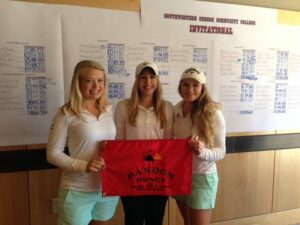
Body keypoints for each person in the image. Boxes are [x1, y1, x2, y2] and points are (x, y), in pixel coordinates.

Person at [47, 60, 119, 225]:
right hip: (77, 189)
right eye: (89, 80)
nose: (96, 86)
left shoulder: (109, 110)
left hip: (106, 187)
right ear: (78, 83)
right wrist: (84, 166)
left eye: (100, 80)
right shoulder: (66, 113)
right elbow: (52, 154)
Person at [114, 61, 174, 225]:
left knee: (155, 219)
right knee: (133, 219)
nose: (148, 82)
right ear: (136, 80)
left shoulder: (168, 108)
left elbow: (168, 144)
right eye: (143, 77)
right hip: (132, 175)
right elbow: (120, 143)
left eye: (152, 77)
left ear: (157, 80)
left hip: (158, 176)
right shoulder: (123, 107)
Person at [173, 67, 226, 225]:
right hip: (180, 175)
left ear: (202, 87)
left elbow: (221, 150)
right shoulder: (175, 110)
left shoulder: (212, 112)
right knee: (187, 222)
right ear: (180, 87)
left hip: (202, 177)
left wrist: (203, 151)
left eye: (195, 85)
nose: (190, 89)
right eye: (186, 85)